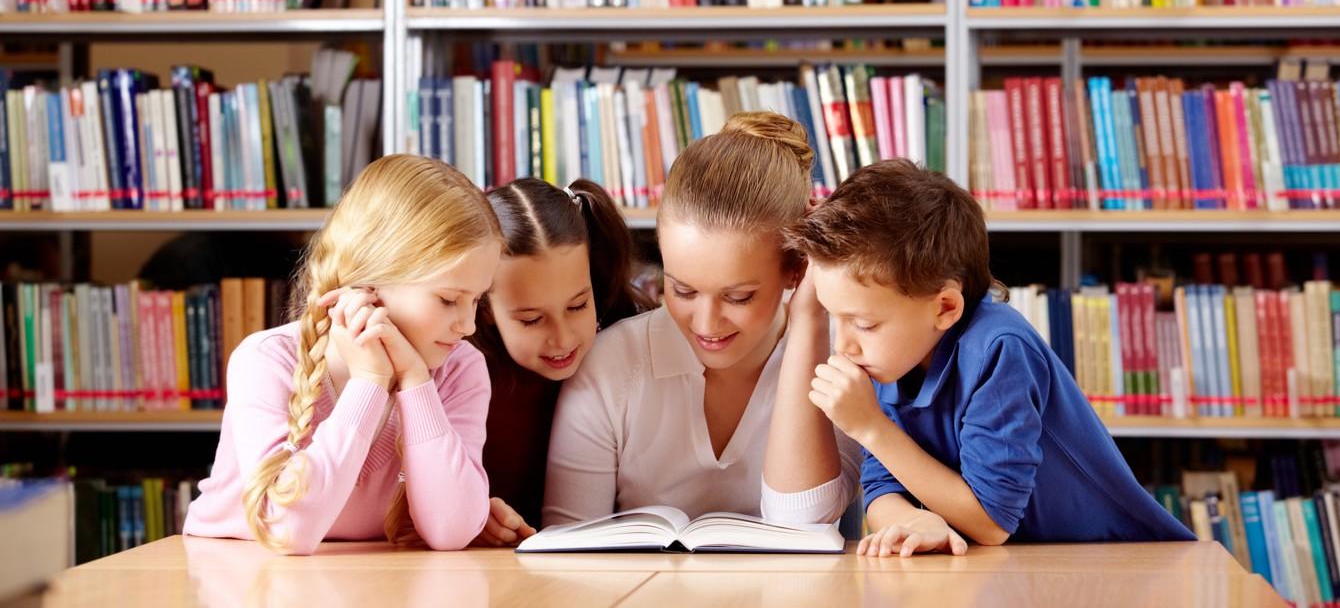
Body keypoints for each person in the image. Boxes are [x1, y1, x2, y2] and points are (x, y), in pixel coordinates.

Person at [786, 160, 1196, 557]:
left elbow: (991, 523)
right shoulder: (889, 355)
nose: (844, 346)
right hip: (1019, 567)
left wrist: (869, 427)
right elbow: (881, 487)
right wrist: (914, 521)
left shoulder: (999, 348)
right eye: (833, 318)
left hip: (1120, 562)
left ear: (945, 306)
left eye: (864, 323)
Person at [543, 112, 859, 526]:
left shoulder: (845, 358)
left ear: (797, 267)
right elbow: (566, 549)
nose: (706, 324)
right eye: (683, 290)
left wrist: (809, 318)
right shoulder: (609, 366)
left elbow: (802, 523)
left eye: (738, 296)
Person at [183, 155, 503, 554]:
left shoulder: (461, 369)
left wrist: (414, 382)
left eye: (477, 300)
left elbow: (451, 531)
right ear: (369, 282)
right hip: (239, 574)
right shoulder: (264, 361)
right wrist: (370, 381)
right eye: (448, 299)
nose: (469, 325)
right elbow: (287, 530)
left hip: (375, 583)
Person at [469, 177, 652, 546]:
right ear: (484, 307)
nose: (564, 338)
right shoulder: (461, 372)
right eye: (531, 319)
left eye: (578, 305)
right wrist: (470, 512)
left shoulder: (629, 344)